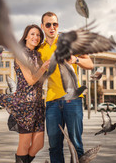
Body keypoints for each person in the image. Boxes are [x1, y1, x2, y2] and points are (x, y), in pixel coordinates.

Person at [38, 11, 93, 163]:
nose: (52, 27)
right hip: (52, 102)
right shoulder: (40, 50)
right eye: (48, 24)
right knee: (54, 146)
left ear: (58, 26)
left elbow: (90, 64)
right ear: (43, 27)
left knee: (76, 144)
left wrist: (75, 59)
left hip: (73, 101)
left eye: (55, 24)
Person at [0, 24, 50, 163]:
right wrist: (43, 68)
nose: (36, 37)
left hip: (37, 105)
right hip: (25, 104)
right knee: (24, 143)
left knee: (39, 144)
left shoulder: (37, 56)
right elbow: (30, 80)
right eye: (33, 34)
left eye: (38, 35)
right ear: (26, 36)